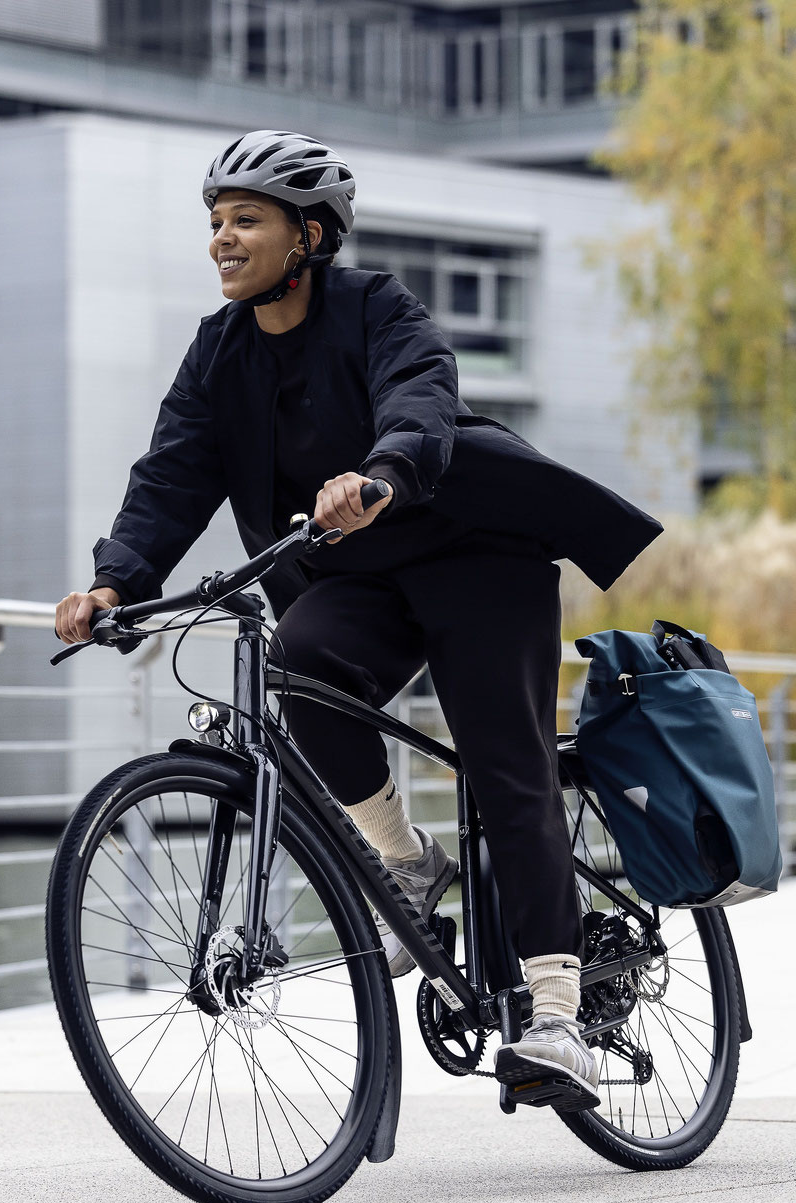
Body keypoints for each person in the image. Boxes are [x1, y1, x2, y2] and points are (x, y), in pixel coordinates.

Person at [55, 130, 660, 1108]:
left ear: (309, 235)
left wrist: (380, 473)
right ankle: (407, 860)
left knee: (506, 761)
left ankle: (553, 1010)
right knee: (301, 660)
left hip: (471, 550)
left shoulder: (374, 305)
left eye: (244, 219)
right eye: (213, 221)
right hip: (359, 580)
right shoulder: (218, 353)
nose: (221, 239)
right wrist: (114, 582)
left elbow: (421, 395)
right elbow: (170, 476)